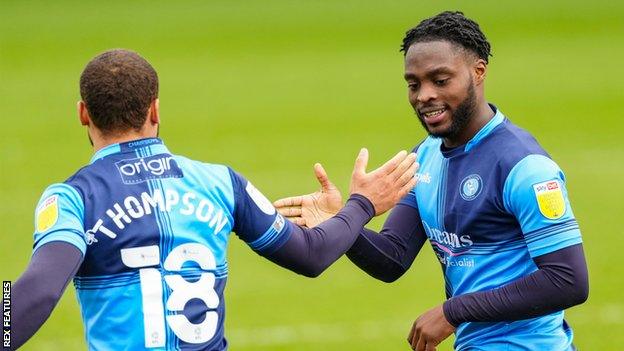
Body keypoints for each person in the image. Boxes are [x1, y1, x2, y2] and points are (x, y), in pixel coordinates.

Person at [10, 49, 418, 350]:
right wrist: (360, 205)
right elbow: (311, 256)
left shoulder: (71, 199)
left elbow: (38, 292)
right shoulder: (220, 182)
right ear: (155, 109)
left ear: (83, 114)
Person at [274, 11, 589, 351]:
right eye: (414, 84)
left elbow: (567, 280)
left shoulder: (523, 167)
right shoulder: (425, 157)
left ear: (478, 72)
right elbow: (392, 258)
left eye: (440, 81)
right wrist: (343, 223)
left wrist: (453, 311)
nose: (423, 95)